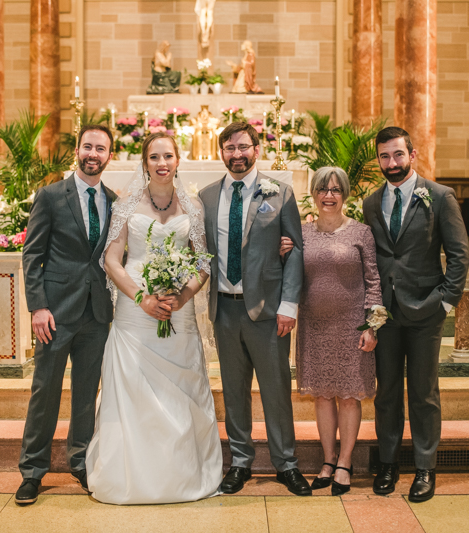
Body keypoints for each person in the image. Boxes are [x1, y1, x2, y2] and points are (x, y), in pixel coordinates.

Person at [86, 132, 222, 504]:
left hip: (178, 311)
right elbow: (112, 260)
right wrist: (141, 297)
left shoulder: (193, 207)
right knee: (134, 389)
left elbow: (203, 262)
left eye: (168, 156)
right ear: (144, 162)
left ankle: (180, 473)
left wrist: (183, 295)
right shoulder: (126, 205)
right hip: (135, 312)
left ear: (178, 161)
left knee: (181, 388)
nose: (162, 163)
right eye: (154, 157)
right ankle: (132, 473)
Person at [198, 121, 310, 496]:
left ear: (257, 149)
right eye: (229, 148)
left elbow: (294, 251)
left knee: (276, 389)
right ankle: (241, 462)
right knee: (233, 391)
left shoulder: (280, 193)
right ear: (221, 153)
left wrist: (289, 304)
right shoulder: (207, 197)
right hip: (225, 309)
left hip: (268, 310)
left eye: (244, 146)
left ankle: (287, 463)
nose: (237, 154)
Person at [362, 127, 469, 503]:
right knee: (387, 392)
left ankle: (425, 467)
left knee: (423, 393)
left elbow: (459, 256)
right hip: (385, 315)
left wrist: (444, 302)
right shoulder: (371, 202)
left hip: (426, 310)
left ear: (412, 154)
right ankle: (389, 464)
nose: (391, 164)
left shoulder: (440, 197)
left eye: (397, 155)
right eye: (384, 157)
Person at [16, 124, 118, 505]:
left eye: (101, 149)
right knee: (45, 391)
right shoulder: (51, 196)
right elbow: (33, 256)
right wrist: (39, 307)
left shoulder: (114, 199)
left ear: (110, 155)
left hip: (96, 314)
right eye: (88, 147)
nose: (93, 154)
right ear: (77, 150)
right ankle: (32, 471)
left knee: (86, 394)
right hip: (55, 312)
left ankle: (81, 461)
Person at [294, 166, 382, 496]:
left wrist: (371, 327)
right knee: (321, 395)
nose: (328, 196)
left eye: (335, 190)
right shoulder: (300, 232)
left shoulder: (361, 232)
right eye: (322, 189)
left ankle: (345, 461)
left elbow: (373, 282)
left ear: (345, 195)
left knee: (348, 396)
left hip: (351, 327)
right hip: (314, 325)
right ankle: (328, 459)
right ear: (314, 194)